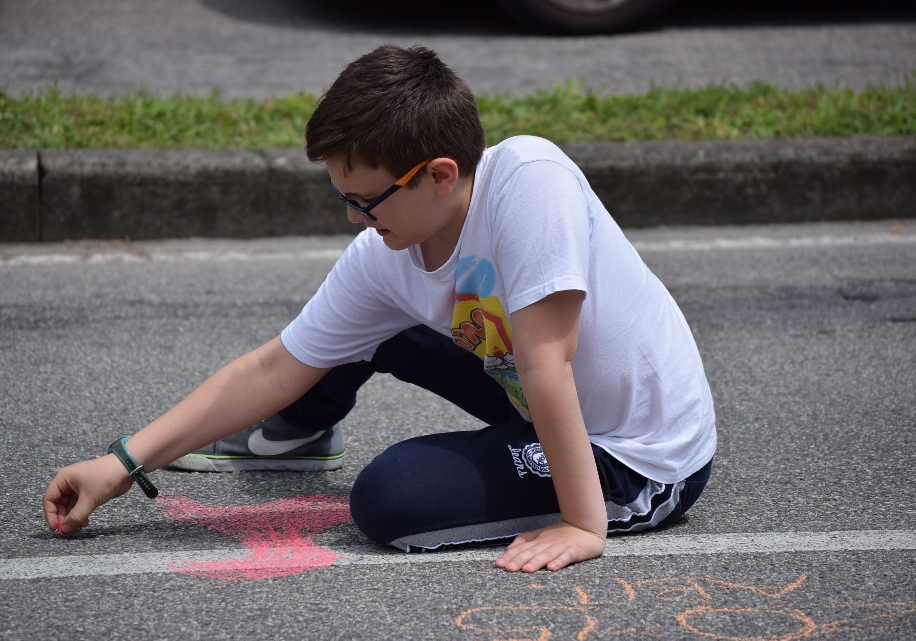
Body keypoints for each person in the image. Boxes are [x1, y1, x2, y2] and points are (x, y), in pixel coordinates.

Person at [43, 44, 716, 574]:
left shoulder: (529, 180)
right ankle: (299, 437)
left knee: (390, 496)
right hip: (540, 398)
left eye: (366, 200)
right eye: (342, 197)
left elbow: (547, 362)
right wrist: (121, 463)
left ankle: (590, 502)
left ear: (440, 174)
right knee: (366, 331)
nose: (353, 218)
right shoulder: (384, 249)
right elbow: (274, 364)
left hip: (635, 452)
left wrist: (581, 523)